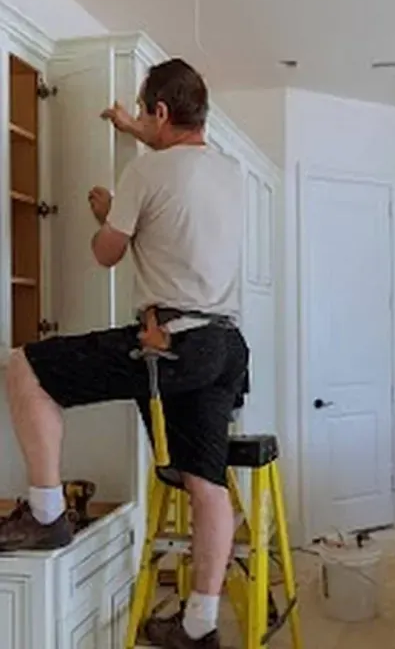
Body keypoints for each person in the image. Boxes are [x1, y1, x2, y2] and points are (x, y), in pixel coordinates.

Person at [0, 58, 248, 649]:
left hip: (172, 340)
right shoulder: (229, 172)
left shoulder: (145, 175)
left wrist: (110, 212)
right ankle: (198, 626)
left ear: (160, 111)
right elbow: (176, 159)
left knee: (24, 365)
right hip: (225, 344)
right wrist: (135, 132)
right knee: (205, 482)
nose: (137, 119)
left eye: (143, 111)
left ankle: (44, 512)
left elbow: (105, 253)